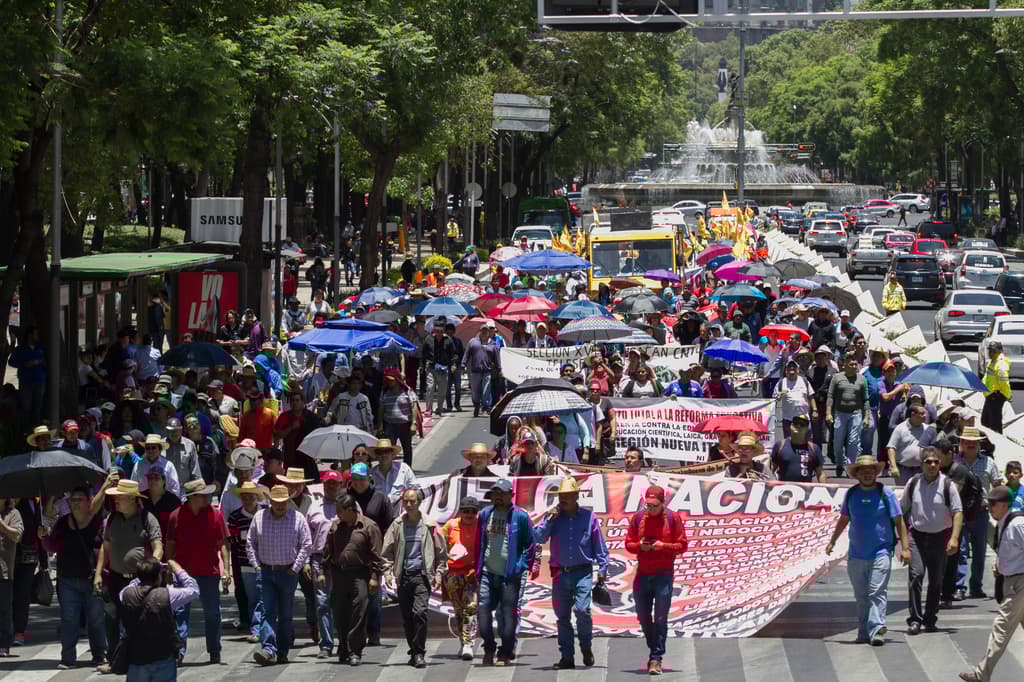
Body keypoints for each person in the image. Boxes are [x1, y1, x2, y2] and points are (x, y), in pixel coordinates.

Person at [825, 455, 911, 646]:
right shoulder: (852, 494)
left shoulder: (885, 493)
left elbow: (899, 521)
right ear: (857, 474)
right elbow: (844, 519)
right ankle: (864, 631)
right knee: (861, 596)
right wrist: (832, 541)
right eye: (863, 470)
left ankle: (877, 628)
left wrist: (905, 548)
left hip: (881, 552)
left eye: (871, 470)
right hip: (856, 554)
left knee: (876, 592)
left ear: (876, 473)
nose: (867, 473)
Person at [532, 476, 609, 670]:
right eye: (561, 495)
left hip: (582, 571)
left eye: (567, 495)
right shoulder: (553, 518)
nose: (563, 499)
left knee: (582, 610)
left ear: (576, 496)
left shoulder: (588, 517)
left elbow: (599, 546)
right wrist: (548, 519)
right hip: (560, 573)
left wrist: (602, 568)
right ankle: (567, 656)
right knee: (562, 616)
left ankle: (586, 646)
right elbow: (538, 537)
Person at [94, 479, 164, 673]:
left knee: (137, 621)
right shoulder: (111, 519)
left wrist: (152, 566)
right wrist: (98, 574)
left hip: (138, 580)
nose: (116, 500)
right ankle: (114, 660)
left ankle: (140, 659)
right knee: (111, 618)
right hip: (115, 577)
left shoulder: (147, 518)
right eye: (115, 497)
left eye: (120, 497)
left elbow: (158, 547)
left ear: (133, 498)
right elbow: (105, 547)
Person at [958, 486, 1024, 682]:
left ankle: (981, 674)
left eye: (992, 504)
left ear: (1003, 505)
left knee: (1001, 628)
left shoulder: (1017, 524)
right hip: (1012, 581)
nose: (989, 507)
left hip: (1019, 584)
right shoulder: (1004, 523)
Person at [41, 484, 108, 669]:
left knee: (95, 619)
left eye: (79, 500)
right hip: (67, 579)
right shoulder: (63, 523)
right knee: (69, 619)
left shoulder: (98, 522)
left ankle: (99, 656)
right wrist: (44, 538)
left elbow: (106, 547)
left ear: (89, 502)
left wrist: (102, 573)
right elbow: (52, 546)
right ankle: (68, 659)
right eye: (72, 500)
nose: (75, 504)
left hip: (91, 578)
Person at [381, 487, 447, 669]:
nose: (409, 505)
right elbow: (386, 552)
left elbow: (442, 554)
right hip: (404, 577)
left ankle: (419, 653)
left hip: (422, 576)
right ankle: (413, 649)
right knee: (408, 618)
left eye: (412, 501)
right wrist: (387, 573)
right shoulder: (397, 525)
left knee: (420, 613)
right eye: (406, 501)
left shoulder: (430, 526)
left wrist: (439, 574)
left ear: (419, 503)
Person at [624, 485, 687, 675]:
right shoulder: (637, 518)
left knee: (660, 617)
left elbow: (682, 545)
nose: (650, 509)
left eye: (654, 506)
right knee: (643, 617)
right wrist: (640, 547)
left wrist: (662, 546)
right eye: (648, 505)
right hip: (643, 573)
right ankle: (654, 647)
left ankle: (656, 658)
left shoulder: (672, 518)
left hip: (663, 574)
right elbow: (628, 544)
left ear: (663, 503)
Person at [246, 484, 312, 666]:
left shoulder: (297, 518)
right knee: (267, 612)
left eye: (284, 502)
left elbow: (306, 544)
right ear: (271, 502)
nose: (281, 506)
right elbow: (250, 543)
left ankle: (282, 650)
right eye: (277, 502)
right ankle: (268, 649)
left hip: (288, 572)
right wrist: (257, 566)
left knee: (285, 614)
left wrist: (296, 568)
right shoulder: (259, 518)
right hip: (266, 571)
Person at [900, 449, 964, 635]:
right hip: (917, 537)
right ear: (921, 464)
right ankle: (915, 619)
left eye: (936, 461)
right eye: (928, 461)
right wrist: (903, 544)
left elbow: (957, 511)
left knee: (936, 581)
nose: (932, 465)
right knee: (916, 576)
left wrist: (954, 538)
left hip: (940, 537)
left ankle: (930, 618)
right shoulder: (913, 483)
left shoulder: (948, 485)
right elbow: (902, 511)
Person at [166, 479, 229, 665]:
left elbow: (223, 543)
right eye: (204, 495)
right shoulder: (176, 516)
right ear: (193, 497)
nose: (207, 498)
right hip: (182, 574)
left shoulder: (216, 515)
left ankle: (214, 650)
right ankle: (179, 651)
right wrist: (168, 570)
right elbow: (170, 544)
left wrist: (227, 570)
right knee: (180, 614)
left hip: (209, 573)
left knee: (213, 614)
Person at [476, 479, 536, 667]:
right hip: (487, 571)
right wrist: (477, 568)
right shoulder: (485, 514)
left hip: (510, 575)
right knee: (483, 610)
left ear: (511, 495)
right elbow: (479, 543)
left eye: (502, 493)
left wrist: (521, 566)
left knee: (508, 614)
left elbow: (530, 544)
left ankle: (506, 650)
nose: (498, 497)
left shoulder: (520, 516)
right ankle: (489, 647)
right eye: (495, 494)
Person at [324, 493, 384, 667]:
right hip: (339, 575)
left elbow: (376, 555)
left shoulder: (369, 526)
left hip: (360, 575)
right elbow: (328, 549)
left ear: (350, 510)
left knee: (358, 613)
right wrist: (322, 570)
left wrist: (374, 577)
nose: (337, 515)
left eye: (339, 511)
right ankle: (343, 646)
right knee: (340, 614)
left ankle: (355, 651)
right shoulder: (336, 526)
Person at [118, 558, 199, 681]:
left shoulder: (125, 594)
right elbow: (193, 590)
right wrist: (178, 570)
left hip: (136, 657)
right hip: (163, 656)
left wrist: (143, 572)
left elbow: (132, 585)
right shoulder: (168, 595)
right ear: (158, 577)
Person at [955, 427, 1004, 599]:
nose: (970, 445)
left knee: (979, 551)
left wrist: (999, 509)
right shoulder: (955, 462)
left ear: (978, 444)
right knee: (959, 550)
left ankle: (976, 586)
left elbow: (997, 485)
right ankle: (959, 587)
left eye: (973, 442)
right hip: (958, 513)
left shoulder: (989, 462)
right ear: (961, 443)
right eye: (966, 442)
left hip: (981, 512)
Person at [440, 495, 480, 662]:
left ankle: (469, 644)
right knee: (458, 611)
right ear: (460, 512)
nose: (469, 515)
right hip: (454, 575)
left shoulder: (481, 526)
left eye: (472, 511)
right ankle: (463, 641)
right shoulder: (451, 525)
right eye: (465, 511)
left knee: (471, 607)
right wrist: (446, 556)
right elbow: (439, 545)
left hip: (473, 575)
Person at [226, 480, 266, 645]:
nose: (248, 499)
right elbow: (232, 542)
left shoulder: (266, 513)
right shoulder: (235, 517)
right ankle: (256, 629)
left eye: (251, 496)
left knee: (265, 598)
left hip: (266, 563)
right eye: (244, 497)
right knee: (253, 599)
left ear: (257, 497)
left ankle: (264, 628)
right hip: (245, 564)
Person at [827, 352, 869, 477]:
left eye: (855, 364)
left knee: (853, 441)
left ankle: (851, 467)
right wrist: (828, 413)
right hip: (840, 413)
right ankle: (840, 463)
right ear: (845, 364)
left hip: (856, 414)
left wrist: (866, 417)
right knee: (838, 442)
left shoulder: (862, 379)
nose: (854, 366)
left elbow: (866, 399)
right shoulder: (837, 377)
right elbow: (830, 396)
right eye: (851, 364)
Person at [886, 404, 937, 485]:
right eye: (922, 413)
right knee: (902, 494)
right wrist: (893, 466)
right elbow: (891, 448)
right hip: (903, 471)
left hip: (921, 470)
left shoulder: (927, 429)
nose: (925, 416)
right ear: (913, 414)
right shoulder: (900, 428)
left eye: (925, 413)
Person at [770, 414, 827, 483]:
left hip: (806, 491)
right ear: (790, 425)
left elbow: (820, 473)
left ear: (806, 429)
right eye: (795, 423)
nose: (798, 426)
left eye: (802, 424)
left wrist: (826, 490)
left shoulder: (814, 448)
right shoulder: (780, 445)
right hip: (783, 491)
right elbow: (771, 470)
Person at [0, 497, 23, 658]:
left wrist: (1, 525)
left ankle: (3, 644)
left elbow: (17, 536)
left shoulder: (13, 513)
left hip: (4, 570)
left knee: (4, 610)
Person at [422, 322, 457, 415]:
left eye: (441, 331)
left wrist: (453, 364)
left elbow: (453, 354)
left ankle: (440, 408)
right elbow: (423, 353)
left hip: (443, 369)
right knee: (430, 388)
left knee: (442, 390)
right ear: (434, 330)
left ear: (443, 331)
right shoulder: (428, 339)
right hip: (431, 368)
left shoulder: (448, 340)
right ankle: (428, 408)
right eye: (437, 331)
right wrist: (422, 366)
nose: (439, 333)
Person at [463, 323, 497, 417]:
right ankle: (476, 405)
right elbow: (467, 354)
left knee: (486, 390)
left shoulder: (492, 343)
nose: (484, 332)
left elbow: (496, 356)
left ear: (488, 332)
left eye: (486, 330)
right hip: (475, 371)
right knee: (475, 391)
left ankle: (485, 407)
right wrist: (463, 364)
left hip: (487, 371)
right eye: (483, 330)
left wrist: (499, 368)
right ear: (480, 331)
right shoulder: (473, 342)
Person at [774, 360, 814, 438]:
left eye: (794, 367)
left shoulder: (804, 381)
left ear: (798, 370)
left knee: (806, 441)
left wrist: (815, 410)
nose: (792, 369)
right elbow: (774, 400)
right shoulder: (781, 383)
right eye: (789, 367)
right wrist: (779, 396)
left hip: (804, 417)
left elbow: (811, 396)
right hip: (788, 419)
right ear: (786, 371)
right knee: (789, 442)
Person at [369, 438, 416, 504]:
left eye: (387, 451)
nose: (383, 455)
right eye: (380, 452)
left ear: (392, 454)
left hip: (401, 511)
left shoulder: (404, 469)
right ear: (376, 455)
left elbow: (415, 490)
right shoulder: (370, 474)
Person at [981, 340, 1011, 433]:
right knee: (985, 421)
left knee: (995, 424)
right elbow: (987, 377)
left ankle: (997, 443)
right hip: (990, 395)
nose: (991, 353)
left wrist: (1006, 395)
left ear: (1000, 351)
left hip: (996, 396)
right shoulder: (992, 361)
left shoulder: (1001, 364)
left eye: (993, 351)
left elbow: (1004, 383)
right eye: (990, 351)